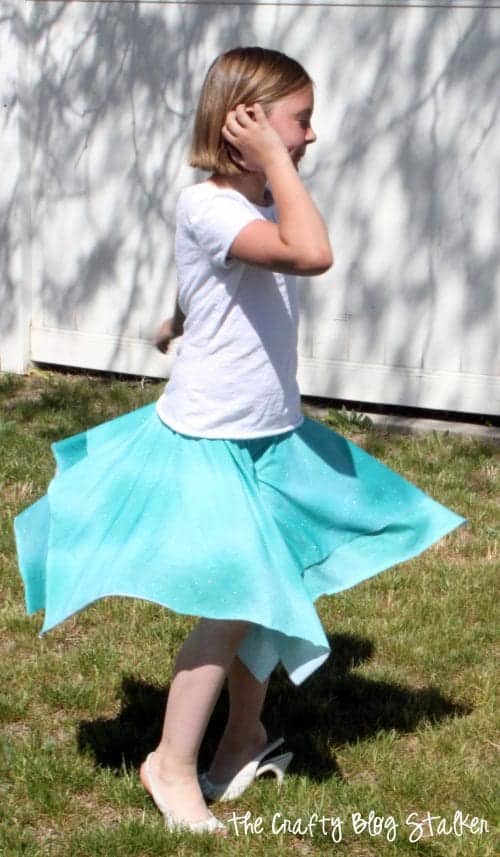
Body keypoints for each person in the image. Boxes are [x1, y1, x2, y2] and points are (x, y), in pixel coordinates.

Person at [14, 47, 465, 835]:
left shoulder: (256, 208)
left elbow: (221, 281)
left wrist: (178, 319)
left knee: (270, 597)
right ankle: (170, 764)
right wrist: (270, 167)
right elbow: (309, 253)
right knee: (230, 603)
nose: (312, 136)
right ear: (245, 126)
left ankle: (242, 739)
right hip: (212, 441)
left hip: (271, 435)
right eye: (300, 120)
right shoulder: (212, 205)